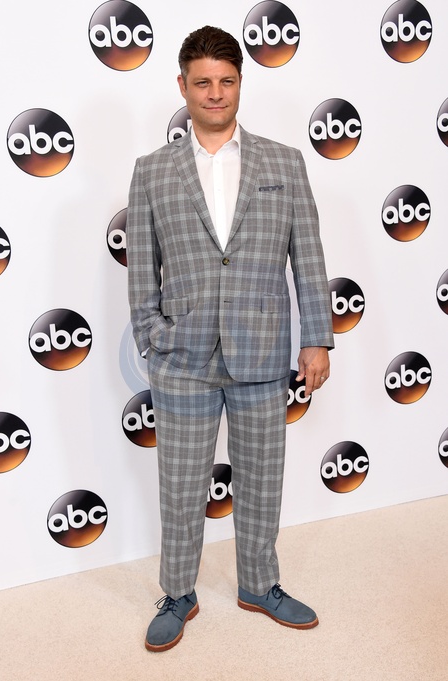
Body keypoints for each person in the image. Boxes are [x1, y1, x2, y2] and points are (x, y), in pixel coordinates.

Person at [126, 25, 334, 653]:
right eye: (203, 82)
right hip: (182, 359)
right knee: (181, 485)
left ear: (240, 83)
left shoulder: (284, 162)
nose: (215, 93)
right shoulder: (152, 171)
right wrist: (152, 338)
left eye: (226, 81)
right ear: (182, 86)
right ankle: (178, 593)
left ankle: (260, 585)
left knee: (263, 478)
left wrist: (317, 338)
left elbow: (309, 257)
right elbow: (141, 269)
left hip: (263, 351)